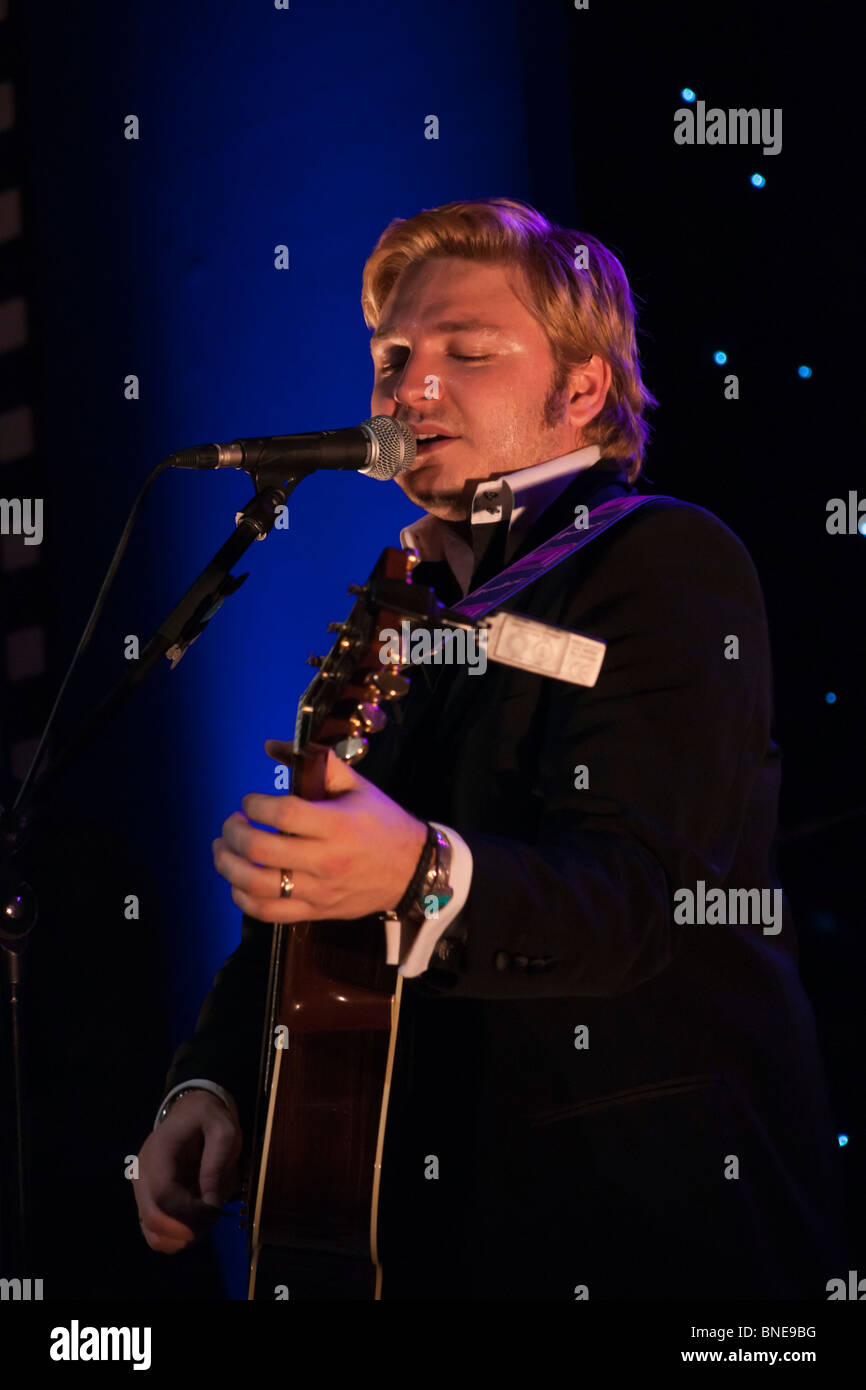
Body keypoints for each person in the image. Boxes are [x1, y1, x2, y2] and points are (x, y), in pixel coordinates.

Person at [133, 197, 845, 1298]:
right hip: (418, 1240)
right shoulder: (398, 607)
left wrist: (416, 873)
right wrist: (217, 1085)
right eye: (392, 357)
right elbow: (313, 906)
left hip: (639, 1233)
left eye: (466, 352)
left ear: (581, 388)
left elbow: (646, 897)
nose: (410, 387)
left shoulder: (664, 561)